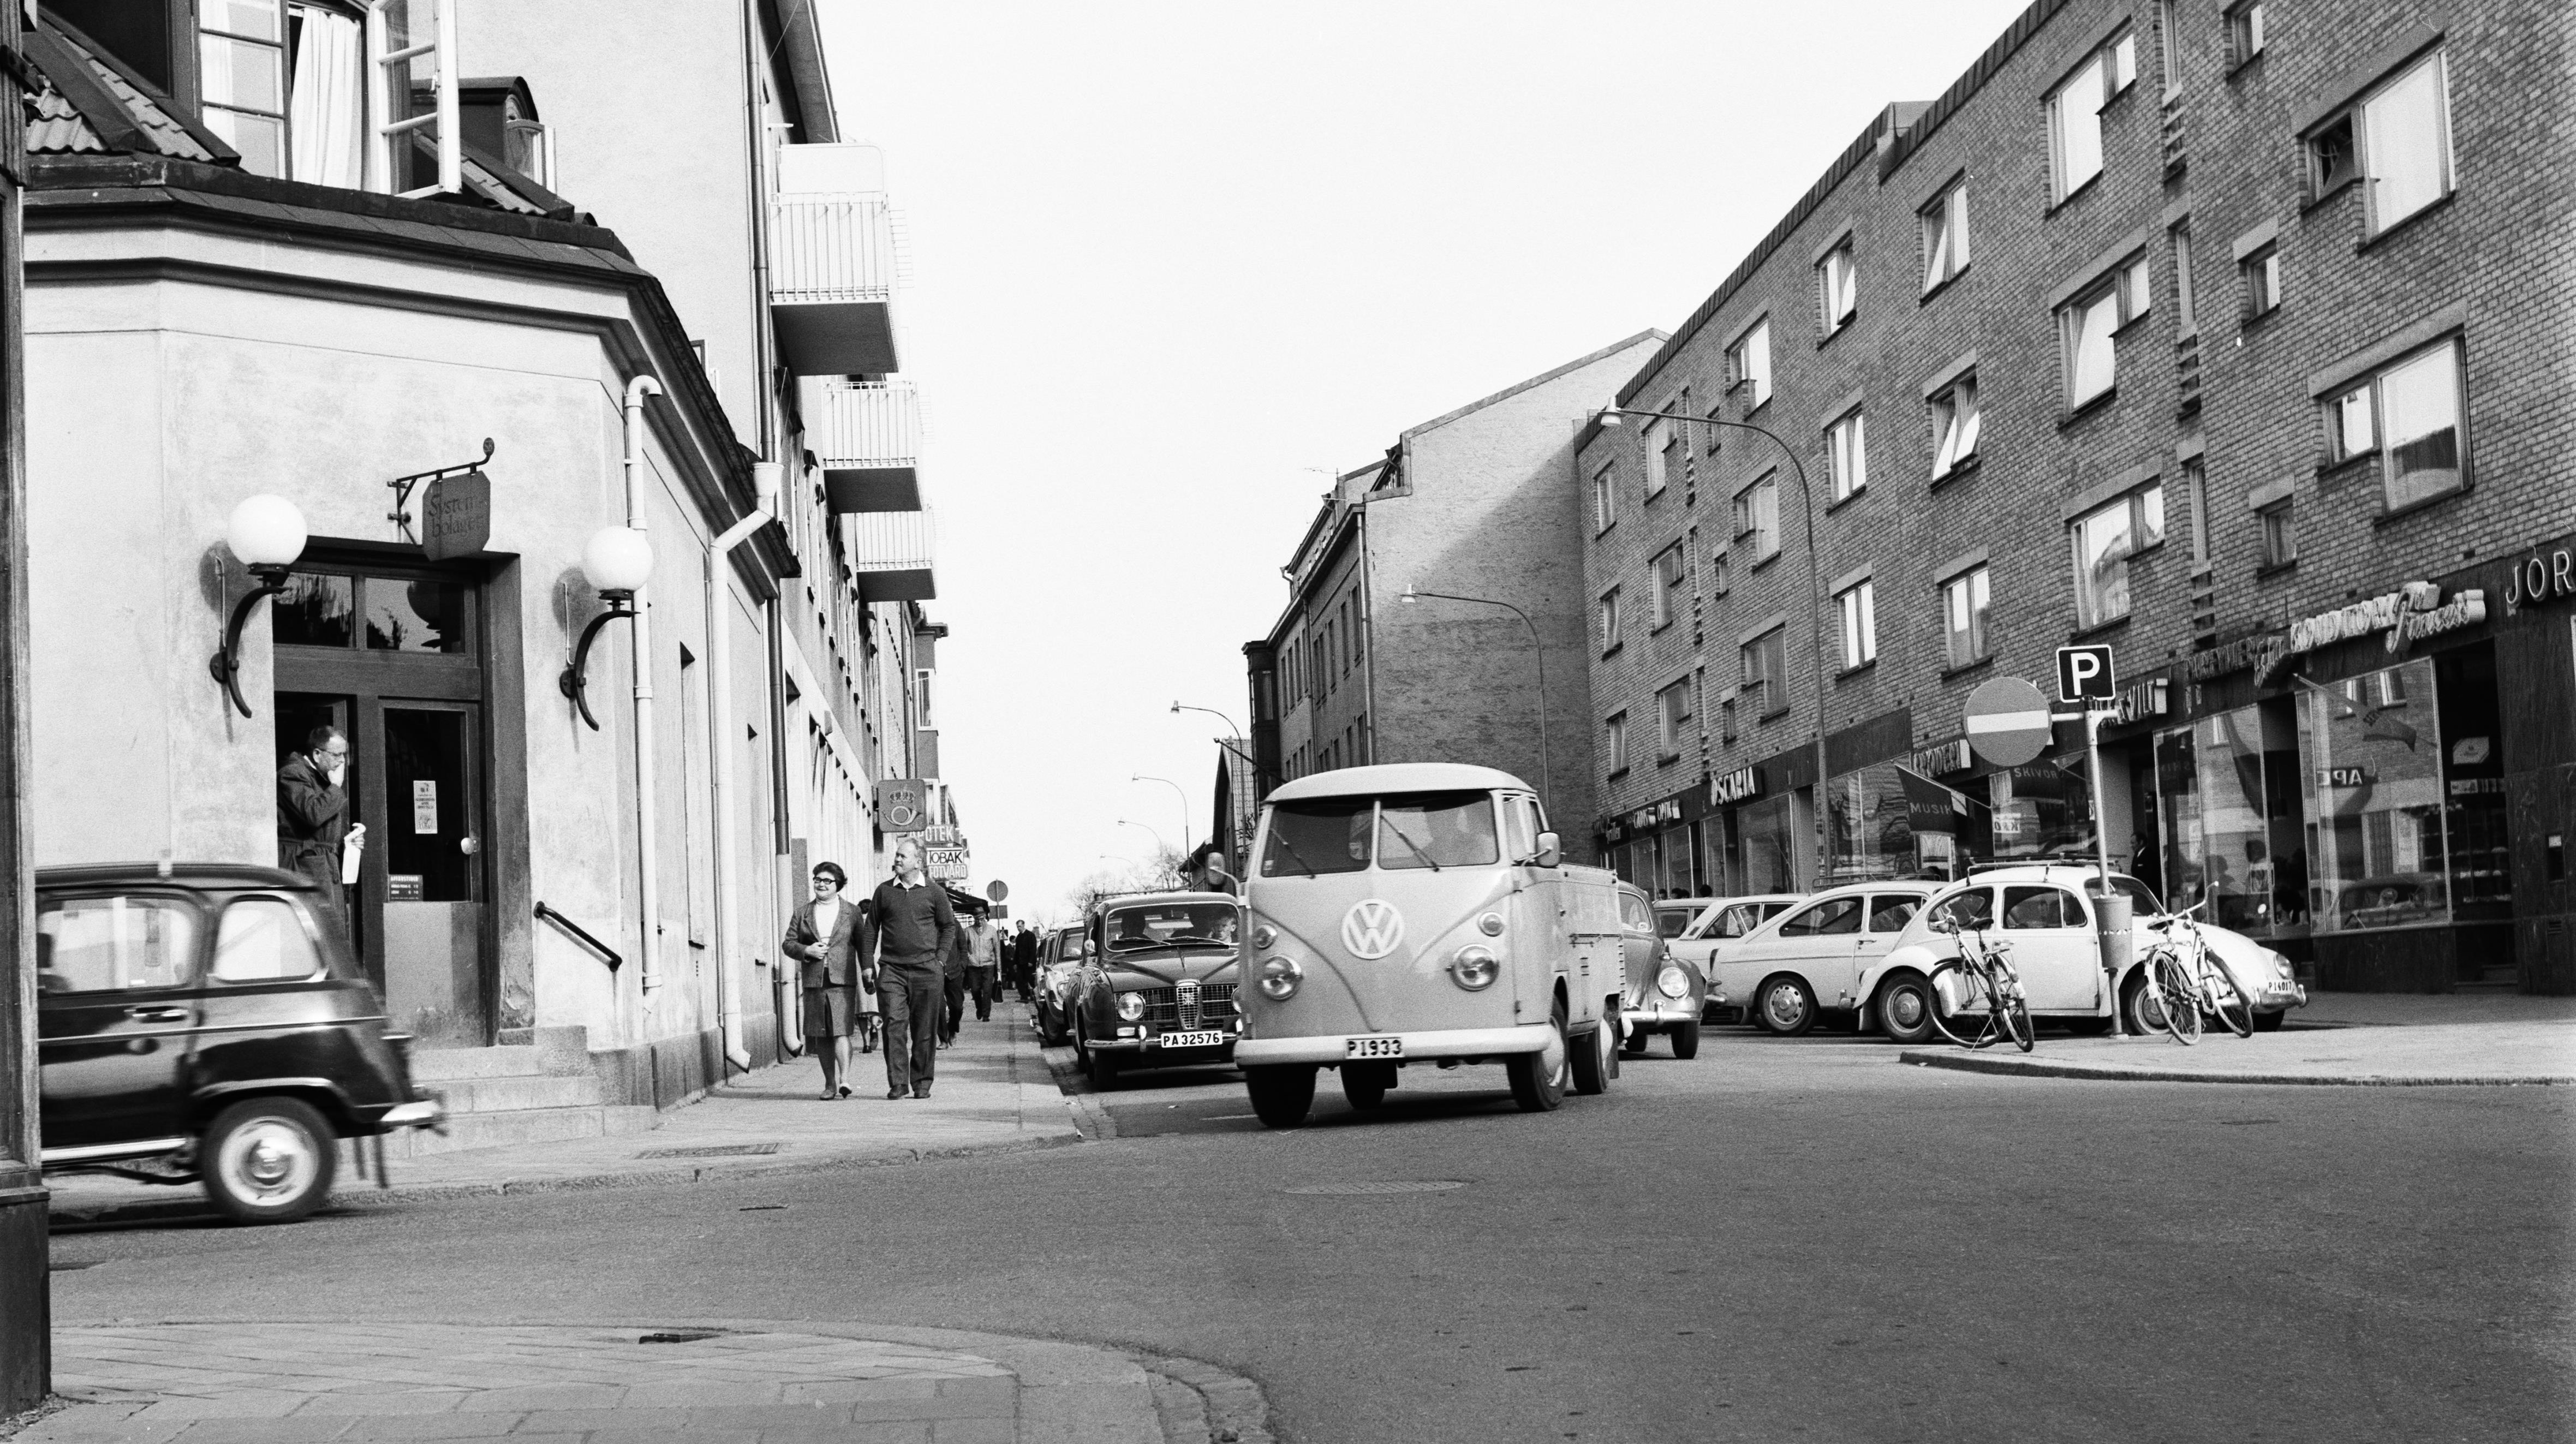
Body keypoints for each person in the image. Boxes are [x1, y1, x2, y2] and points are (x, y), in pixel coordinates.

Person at [870, 840, 959, 1099]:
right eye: (896, 855)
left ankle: (921, 1083)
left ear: (918, 862)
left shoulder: (934, 892)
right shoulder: (884, 892)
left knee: (924, 1030)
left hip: (927, 972)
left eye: (902, 856)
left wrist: (940, 959)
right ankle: (898, 1083)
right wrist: (867, 965)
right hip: (891, 970)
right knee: (893, 1027)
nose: (897, 859)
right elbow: (870, 930)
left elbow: (948, 927)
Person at [783, 862, 872, 1100]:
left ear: (838, 885)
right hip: (814, 979)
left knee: (841, 1030)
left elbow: (863, 944)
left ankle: (845, 1079)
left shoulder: (851, 912)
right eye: (817, 880)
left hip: (842, 978)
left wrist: (867, 969)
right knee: (821, 1032)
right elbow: (788, 944)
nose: (821, 884)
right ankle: (830, 1084)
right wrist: (807, 950)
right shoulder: (802, 912)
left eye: (827, 881)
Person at [277, 726, 361, 927]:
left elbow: (320, 828)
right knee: (314, 929)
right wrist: (335, 788)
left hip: (322, 864)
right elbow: (313, 814)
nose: (342, 761)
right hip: (303, 866)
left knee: (328, 929)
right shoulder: (293, 774)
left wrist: (346, 839)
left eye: (344, 755)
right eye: (337, 755)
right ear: (317, 754)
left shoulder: (321, 778)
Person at [940, 910, 972, 1047]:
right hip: (936, 972)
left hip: (955, 972)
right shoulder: (931, 924)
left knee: (957, 1007)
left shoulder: (955, 925)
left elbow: (963, 948)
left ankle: (952, 1030)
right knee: (938, 1008)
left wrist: (962, 966)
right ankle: (942, 1040)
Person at [964, 913, 1000, 1022]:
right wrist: (969, 957)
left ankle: (986, 1015)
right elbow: (963, 947)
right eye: (977, 919)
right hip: (973, 965)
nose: (979, 922)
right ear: (974, 920)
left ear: (985, 919)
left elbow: (997, 949)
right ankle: (979, 1008)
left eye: (982, 919)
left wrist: (999, 967)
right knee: (975, 989)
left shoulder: (992, 931)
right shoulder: (968, 931)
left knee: (987, 990)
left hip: (988, 965)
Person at [1010, 922, 1038, 1003]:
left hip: (1028, 963)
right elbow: (1017, 951)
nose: (1019, 928)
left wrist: (1031, 961)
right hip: (1020, 963)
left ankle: (1036, 995)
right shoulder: (1019, 937)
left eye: (1020, 926)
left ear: (1023, 925)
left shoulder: (1030, 935)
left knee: (1030, 979)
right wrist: (1015, 963)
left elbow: (1033, 949)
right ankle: (1024, 997)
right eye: (1018, 927)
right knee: (1019, 980)